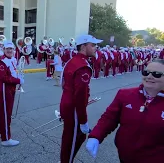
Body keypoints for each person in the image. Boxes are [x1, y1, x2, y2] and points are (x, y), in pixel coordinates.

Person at [86, 59, 164, 163]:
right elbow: (109, 118)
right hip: (125, 157)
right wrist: (95, 136)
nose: (149, 76)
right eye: (146, 72)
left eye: (156, 74)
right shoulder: (125, 94)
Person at [59, 35, 103, 163]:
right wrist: (83, 121)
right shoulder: (83, 66)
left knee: (72, 136)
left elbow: (63, 83)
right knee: (72, 139)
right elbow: (80, 95)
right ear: (83, 47)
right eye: (93, 45)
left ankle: (65, 159)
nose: (96, 48)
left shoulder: (72, 61)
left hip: (67, 102)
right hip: (74, 107)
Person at [0, 41, 24, 146]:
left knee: (5, 112)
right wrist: (18, 81)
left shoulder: (12, 59)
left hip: (10, 89)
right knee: (6, 113)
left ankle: (0, 132)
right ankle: (6, 139)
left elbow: (14, 72)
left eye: (11, 49)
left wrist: (19, 78)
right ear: (4, 50)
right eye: (7, 49)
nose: (9, 50)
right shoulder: (2, 62)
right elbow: (4, 78)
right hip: (5, 89)